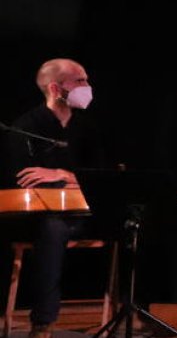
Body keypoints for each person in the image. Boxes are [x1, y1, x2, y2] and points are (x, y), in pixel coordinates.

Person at [3, 58, 105, 338]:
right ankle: (43, 323)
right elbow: (24, 182)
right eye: (80, 81)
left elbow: (102, 179)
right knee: (51, 227)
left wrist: (61, 174)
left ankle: (136, 306)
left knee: (130, 220)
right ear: (55, 88)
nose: (88, 87)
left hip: (83, 215)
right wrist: (77, 181)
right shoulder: (25, 126)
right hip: (37, 218)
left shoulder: (88, 129)